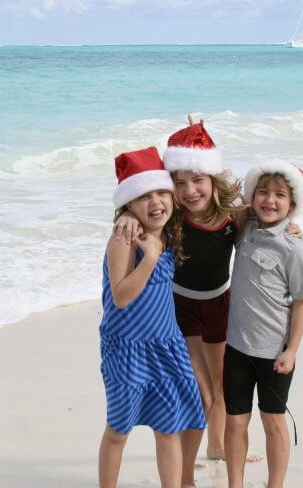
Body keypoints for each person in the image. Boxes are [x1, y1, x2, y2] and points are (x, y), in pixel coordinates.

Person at [114, 120, 301, 487]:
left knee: (219, 387)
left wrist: (293, 225)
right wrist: (124, 217)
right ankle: (185, 478)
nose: (189, 190)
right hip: (181, 308)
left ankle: (216, 447)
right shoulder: (174, 219)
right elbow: (141, 211)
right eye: (179, 183)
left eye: (197, 180)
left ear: (213, 180)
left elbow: (273, 211)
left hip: (221, 304)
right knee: (201, 391)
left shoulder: (235, 217)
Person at [98, 146, 206, 488]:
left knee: (169, 428)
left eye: (162, 192)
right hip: (127, 349)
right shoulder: (124, 238)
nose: (155, 202)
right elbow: (121, 296)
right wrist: (150, 257)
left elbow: (210, 197)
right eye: (143, 196)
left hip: (166, 345)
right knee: (118, 430)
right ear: (128, 203)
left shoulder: (172, 231)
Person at [223, 160, 303, 488]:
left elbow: (302, 301)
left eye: (279, 195)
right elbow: (224, 200)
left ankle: (275, 484)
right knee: (235, 421)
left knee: (273, 420)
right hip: (236, 347)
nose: (269, 200)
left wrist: (292, 350)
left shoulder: (292, 245)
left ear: (293, 204)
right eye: (263, 192)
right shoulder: (245, 227)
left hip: (274, 352)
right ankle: (236, 483)